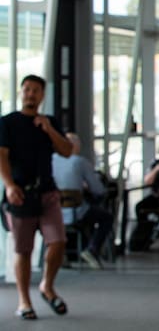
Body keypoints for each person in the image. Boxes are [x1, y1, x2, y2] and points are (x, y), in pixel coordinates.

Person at [0, 75, 73, 320]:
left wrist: (49, 129)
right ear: (21, 92)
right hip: (20, 193)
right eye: (27, 90)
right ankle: (24, 301)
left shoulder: (49, 122)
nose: (31, 94)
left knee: (58, 241)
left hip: (48, 192)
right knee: (24, 250)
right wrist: (9, 185)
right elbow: (1, 156)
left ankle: (47, 286)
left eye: (36, 91)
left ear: (42, 95)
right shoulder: (7, 123)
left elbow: (66, 151)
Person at [51, 132, 114, 269]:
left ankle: (61, 255)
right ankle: (92, 248)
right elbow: (98, 189)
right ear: (75, 146)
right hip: (76, 211)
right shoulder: (79, 162)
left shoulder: (52, 160)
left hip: (54, 211)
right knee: (106, 217)